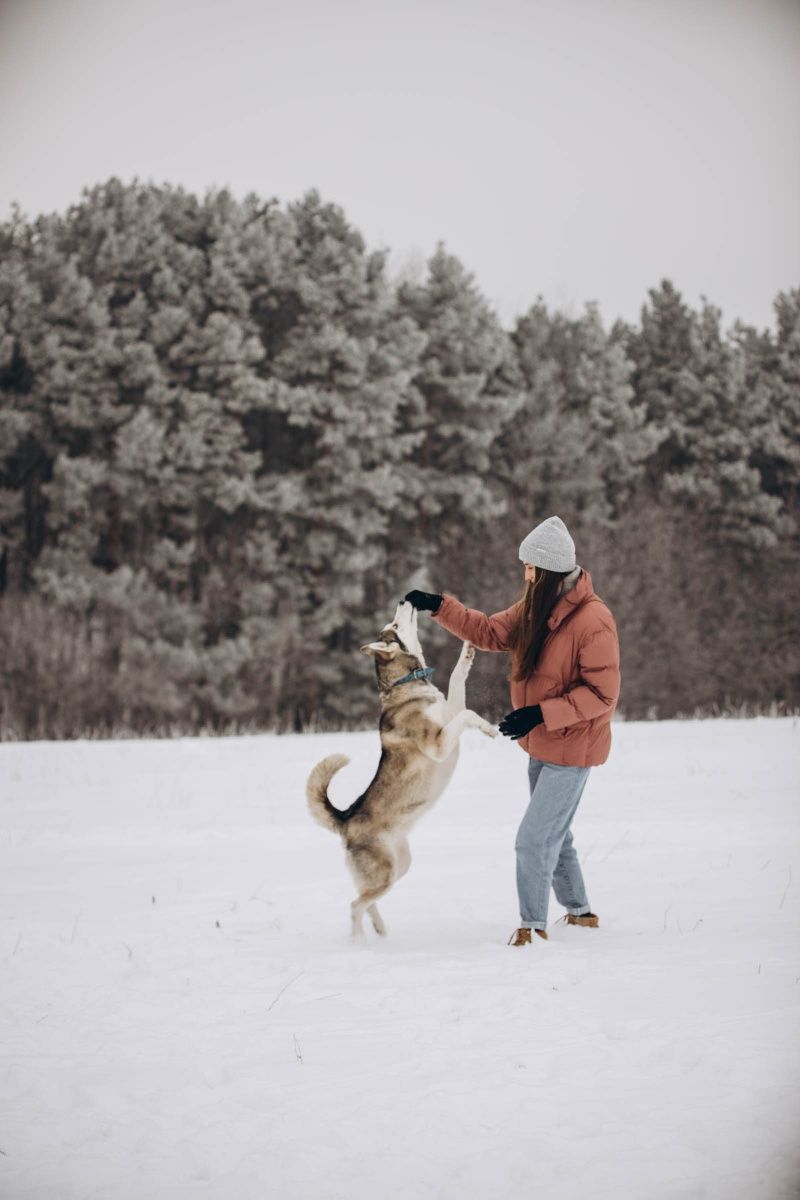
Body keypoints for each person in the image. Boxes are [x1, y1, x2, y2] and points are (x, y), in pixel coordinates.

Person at [405, 515, 621, 945]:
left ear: (548, 571)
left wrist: (541, 713)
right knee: (555, 835)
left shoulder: (593, 620)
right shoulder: (535, 610)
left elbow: (603, 695)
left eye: (530, 568)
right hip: (543, 746)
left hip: (572, 749)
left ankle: (532, 926)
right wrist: (438, 606)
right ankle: (580, 914)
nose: (524, 575)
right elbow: (487, 631)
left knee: (533, 839)